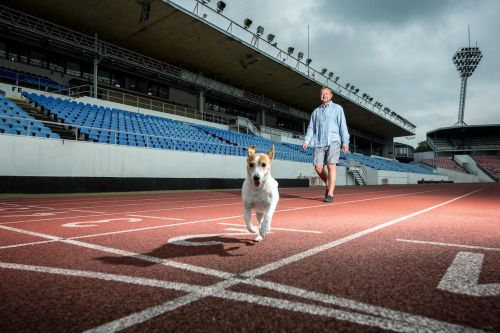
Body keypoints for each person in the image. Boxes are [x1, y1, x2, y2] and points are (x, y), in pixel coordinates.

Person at [302, 87, 350, 202]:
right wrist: (307, 141)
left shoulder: (337, 109)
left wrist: (345, 142)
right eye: (322, 94)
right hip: (319, 142)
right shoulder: (316, 112)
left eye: (326, 94)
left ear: (331, 95)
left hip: (333, 140)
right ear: (320, 96)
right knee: (318, 167)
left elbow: (342, 125)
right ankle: (329, 183)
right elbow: (311, 128)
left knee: (331, 165)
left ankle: (330, 193)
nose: (324, 96)